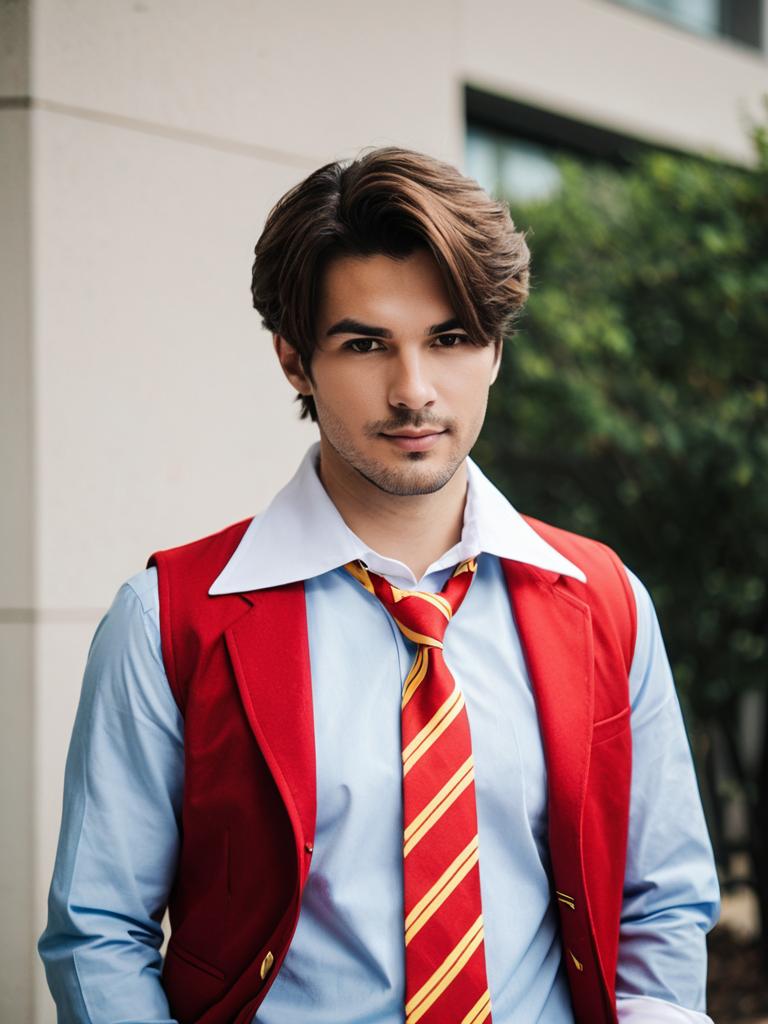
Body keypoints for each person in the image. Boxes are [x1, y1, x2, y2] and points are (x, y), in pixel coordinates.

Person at [39, 147, 719, 1024]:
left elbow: (658, 904)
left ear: (496, 352)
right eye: (365, 345)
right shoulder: (165, 618)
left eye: (451, 339)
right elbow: (99, 932)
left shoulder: (605, 599)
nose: (414, 391)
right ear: (294, 361)